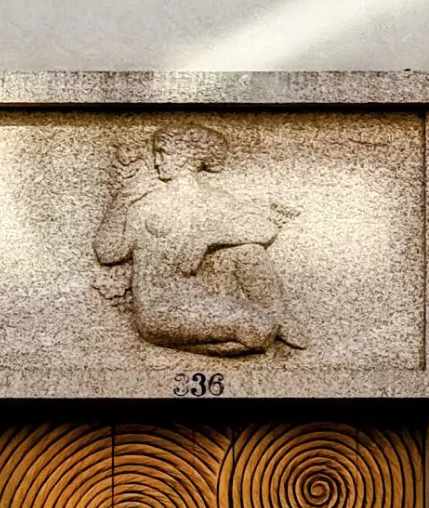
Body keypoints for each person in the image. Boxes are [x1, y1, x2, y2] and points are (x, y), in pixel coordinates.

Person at [94, 125, 307, 355]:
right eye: (156, 153)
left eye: (163, 153)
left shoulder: (216, 200)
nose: (156, 162)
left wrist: (207, 238)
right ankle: (216, 338)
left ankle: (277, 312)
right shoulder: (146, 203)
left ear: (186, 156)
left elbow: (265, 229)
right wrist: (123, 201)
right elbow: (107, 252)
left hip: (208, 297)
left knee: (249, 251)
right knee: (258, 328)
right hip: (162, 306)